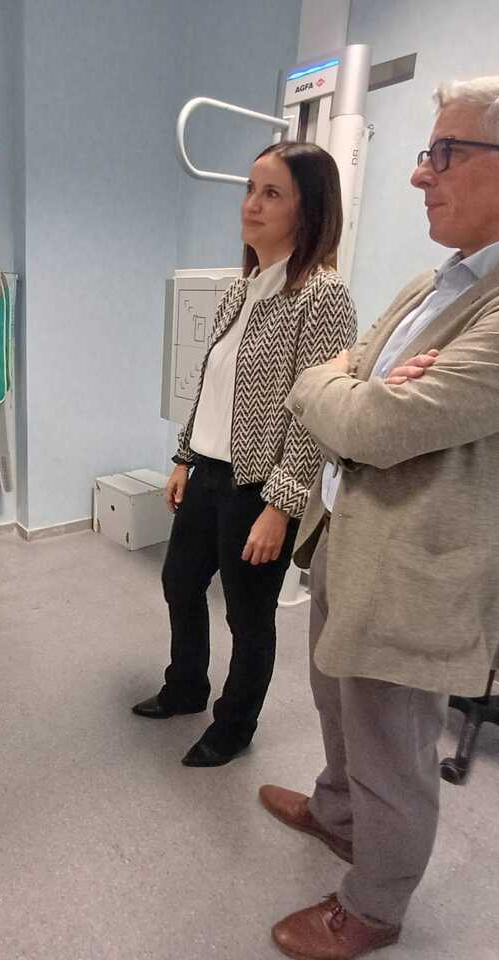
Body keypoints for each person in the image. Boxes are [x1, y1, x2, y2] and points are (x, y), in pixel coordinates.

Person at [259, 77, 499, 959]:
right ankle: (337, 814)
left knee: (392, 748)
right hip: (347, 533)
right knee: (337, 708)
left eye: (445, 153)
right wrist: (347, 387)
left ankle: (374, 907)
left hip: (421, 567)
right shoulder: (433, 284)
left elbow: (372, 423)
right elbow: (346, 377)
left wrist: (340, 390)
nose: (420, 175)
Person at [132, 142, 358, 767]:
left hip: (260, 485)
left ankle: (234, 726)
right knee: (180, 581)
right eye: (250, 189)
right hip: (208, 471)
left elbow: (317, 413)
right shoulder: (242, 290)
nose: (251, 204)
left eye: (272, 193)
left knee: (248, 615)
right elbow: (211, 386)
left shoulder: (322, 297)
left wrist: (282, 506)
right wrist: (184, 457)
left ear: (309, 210)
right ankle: (186, 687)